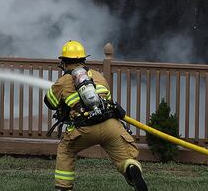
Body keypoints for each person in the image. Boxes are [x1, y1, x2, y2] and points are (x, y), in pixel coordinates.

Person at [44, 40, 148, 191]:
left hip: (84, 129)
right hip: (110, 126)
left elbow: (49, 102)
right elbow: (109, 100)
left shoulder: (63, 81)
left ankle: (64, 187)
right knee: (126, 158)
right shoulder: (98, 76)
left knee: (66, 150)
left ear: (64, 62)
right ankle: (131, 169)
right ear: (84, 59)